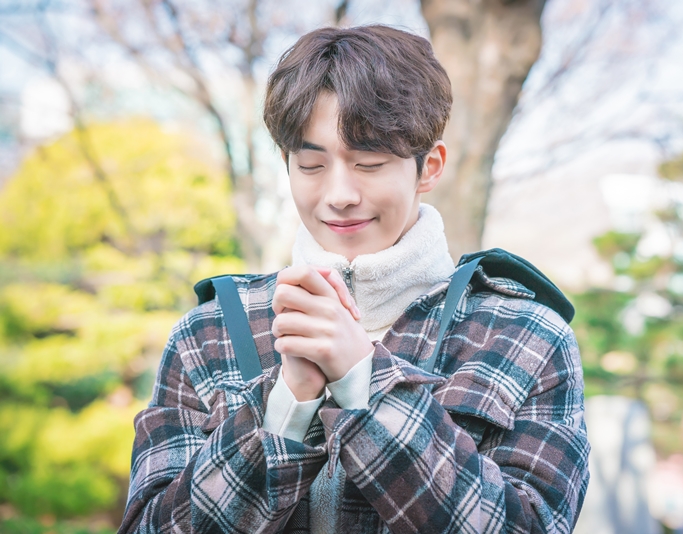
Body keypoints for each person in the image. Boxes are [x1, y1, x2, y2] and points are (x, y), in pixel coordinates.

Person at [120, 24, 589, 534]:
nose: (339, 194)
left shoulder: (527, 336)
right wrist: (287, 406)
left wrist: (362, 377)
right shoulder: (208, 333)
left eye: (368, 163)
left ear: (429, 167)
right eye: (311, 164)